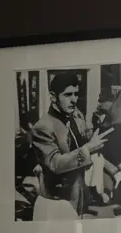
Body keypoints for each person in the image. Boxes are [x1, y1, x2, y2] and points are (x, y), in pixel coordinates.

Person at [30, 70, 118, 217]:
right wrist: (87, 149)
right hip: (56, 204)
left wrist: (103, 125)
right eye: (68, 94)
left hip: (80, 198)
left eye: (76, 94)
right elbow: (55, 164)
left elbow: (85, 138)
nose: (74, 100)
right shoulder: (42, 127)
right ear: (53, 97)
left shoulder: (76, 115)